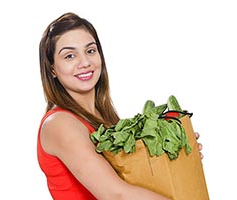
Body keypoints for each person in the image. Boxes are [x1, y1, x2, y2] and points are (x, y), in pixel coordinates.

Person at [37, 12, 203, 200]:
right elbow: (115, 194)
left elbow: (134, 179)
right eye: (70, 56)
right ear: (52, 69)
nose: (84, 62)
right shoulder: (59, 124)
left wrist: (176, 155)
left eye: (90, 51)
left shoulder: (105, 118)